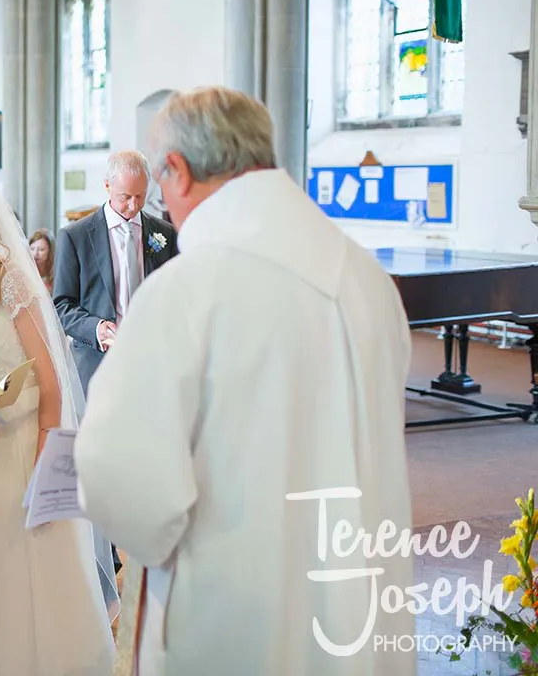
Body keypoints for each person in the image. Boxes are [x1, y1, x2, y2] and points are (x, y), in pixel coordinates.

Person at [76, 87, 415, 676]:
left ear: (177, 169)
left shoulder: (185, 290)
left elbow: (118, 482)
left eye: (160, 183)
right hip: (357, 606)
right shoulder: (368, 281)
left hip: (234, 616)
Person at [0, 168, 116, 675]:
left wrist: (46, 458)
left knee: (35, 556)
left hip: (28, 432)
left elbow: (51, 381)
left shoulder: (5, 276)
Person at [53, 150, 179, 393]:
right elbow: (62, 305)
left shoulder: (165, 234)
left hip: (153, 361)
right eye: (126, 196)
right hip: (97, 363)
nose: (133, 205)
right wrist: (96, 328)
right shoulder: (75, 237)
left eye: (140, 196)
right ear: (107, 185)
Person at [28, 228, 55, 293]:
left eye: (41, 249)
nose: (35, 254)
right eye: (32, 249)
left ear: (50, 252)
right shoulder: (25, 272)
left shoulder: (56, 274)